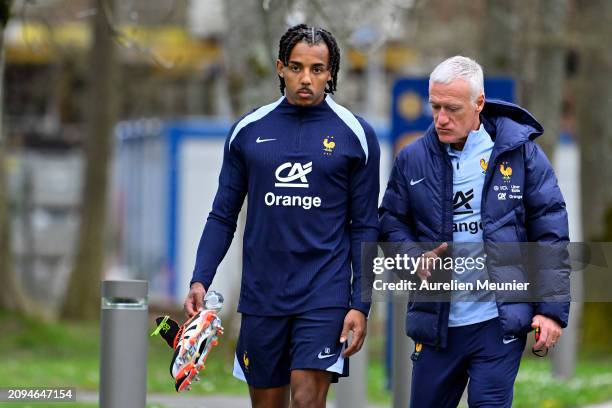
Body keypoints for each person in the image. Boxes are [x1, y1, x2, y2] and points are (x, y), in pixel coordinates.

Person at [183, 24, 380, 408]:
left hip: (325, 292)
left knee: (307, 400)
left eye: (317, 69)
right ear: (280, 68)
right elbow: (223, 214)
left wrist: (360, 303)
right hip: (262, 295)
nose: (306, 78)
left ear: (331, 73)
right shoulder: (247, 130)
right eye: (296, 67)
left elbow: (366, 227)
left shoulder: (357, 135)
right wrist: (199, 278)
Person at [379, 56, 570, 407]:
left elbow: (550, 231)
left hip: (497, 324)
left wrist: (551, 310)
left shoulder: (519, 153)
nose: (440, 118)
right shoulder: (412, 159)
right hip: (436, 324)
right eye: (434, 107)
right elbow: (390, 222)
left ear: (479, 103)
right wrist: (412, 257)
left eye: (451, 108)